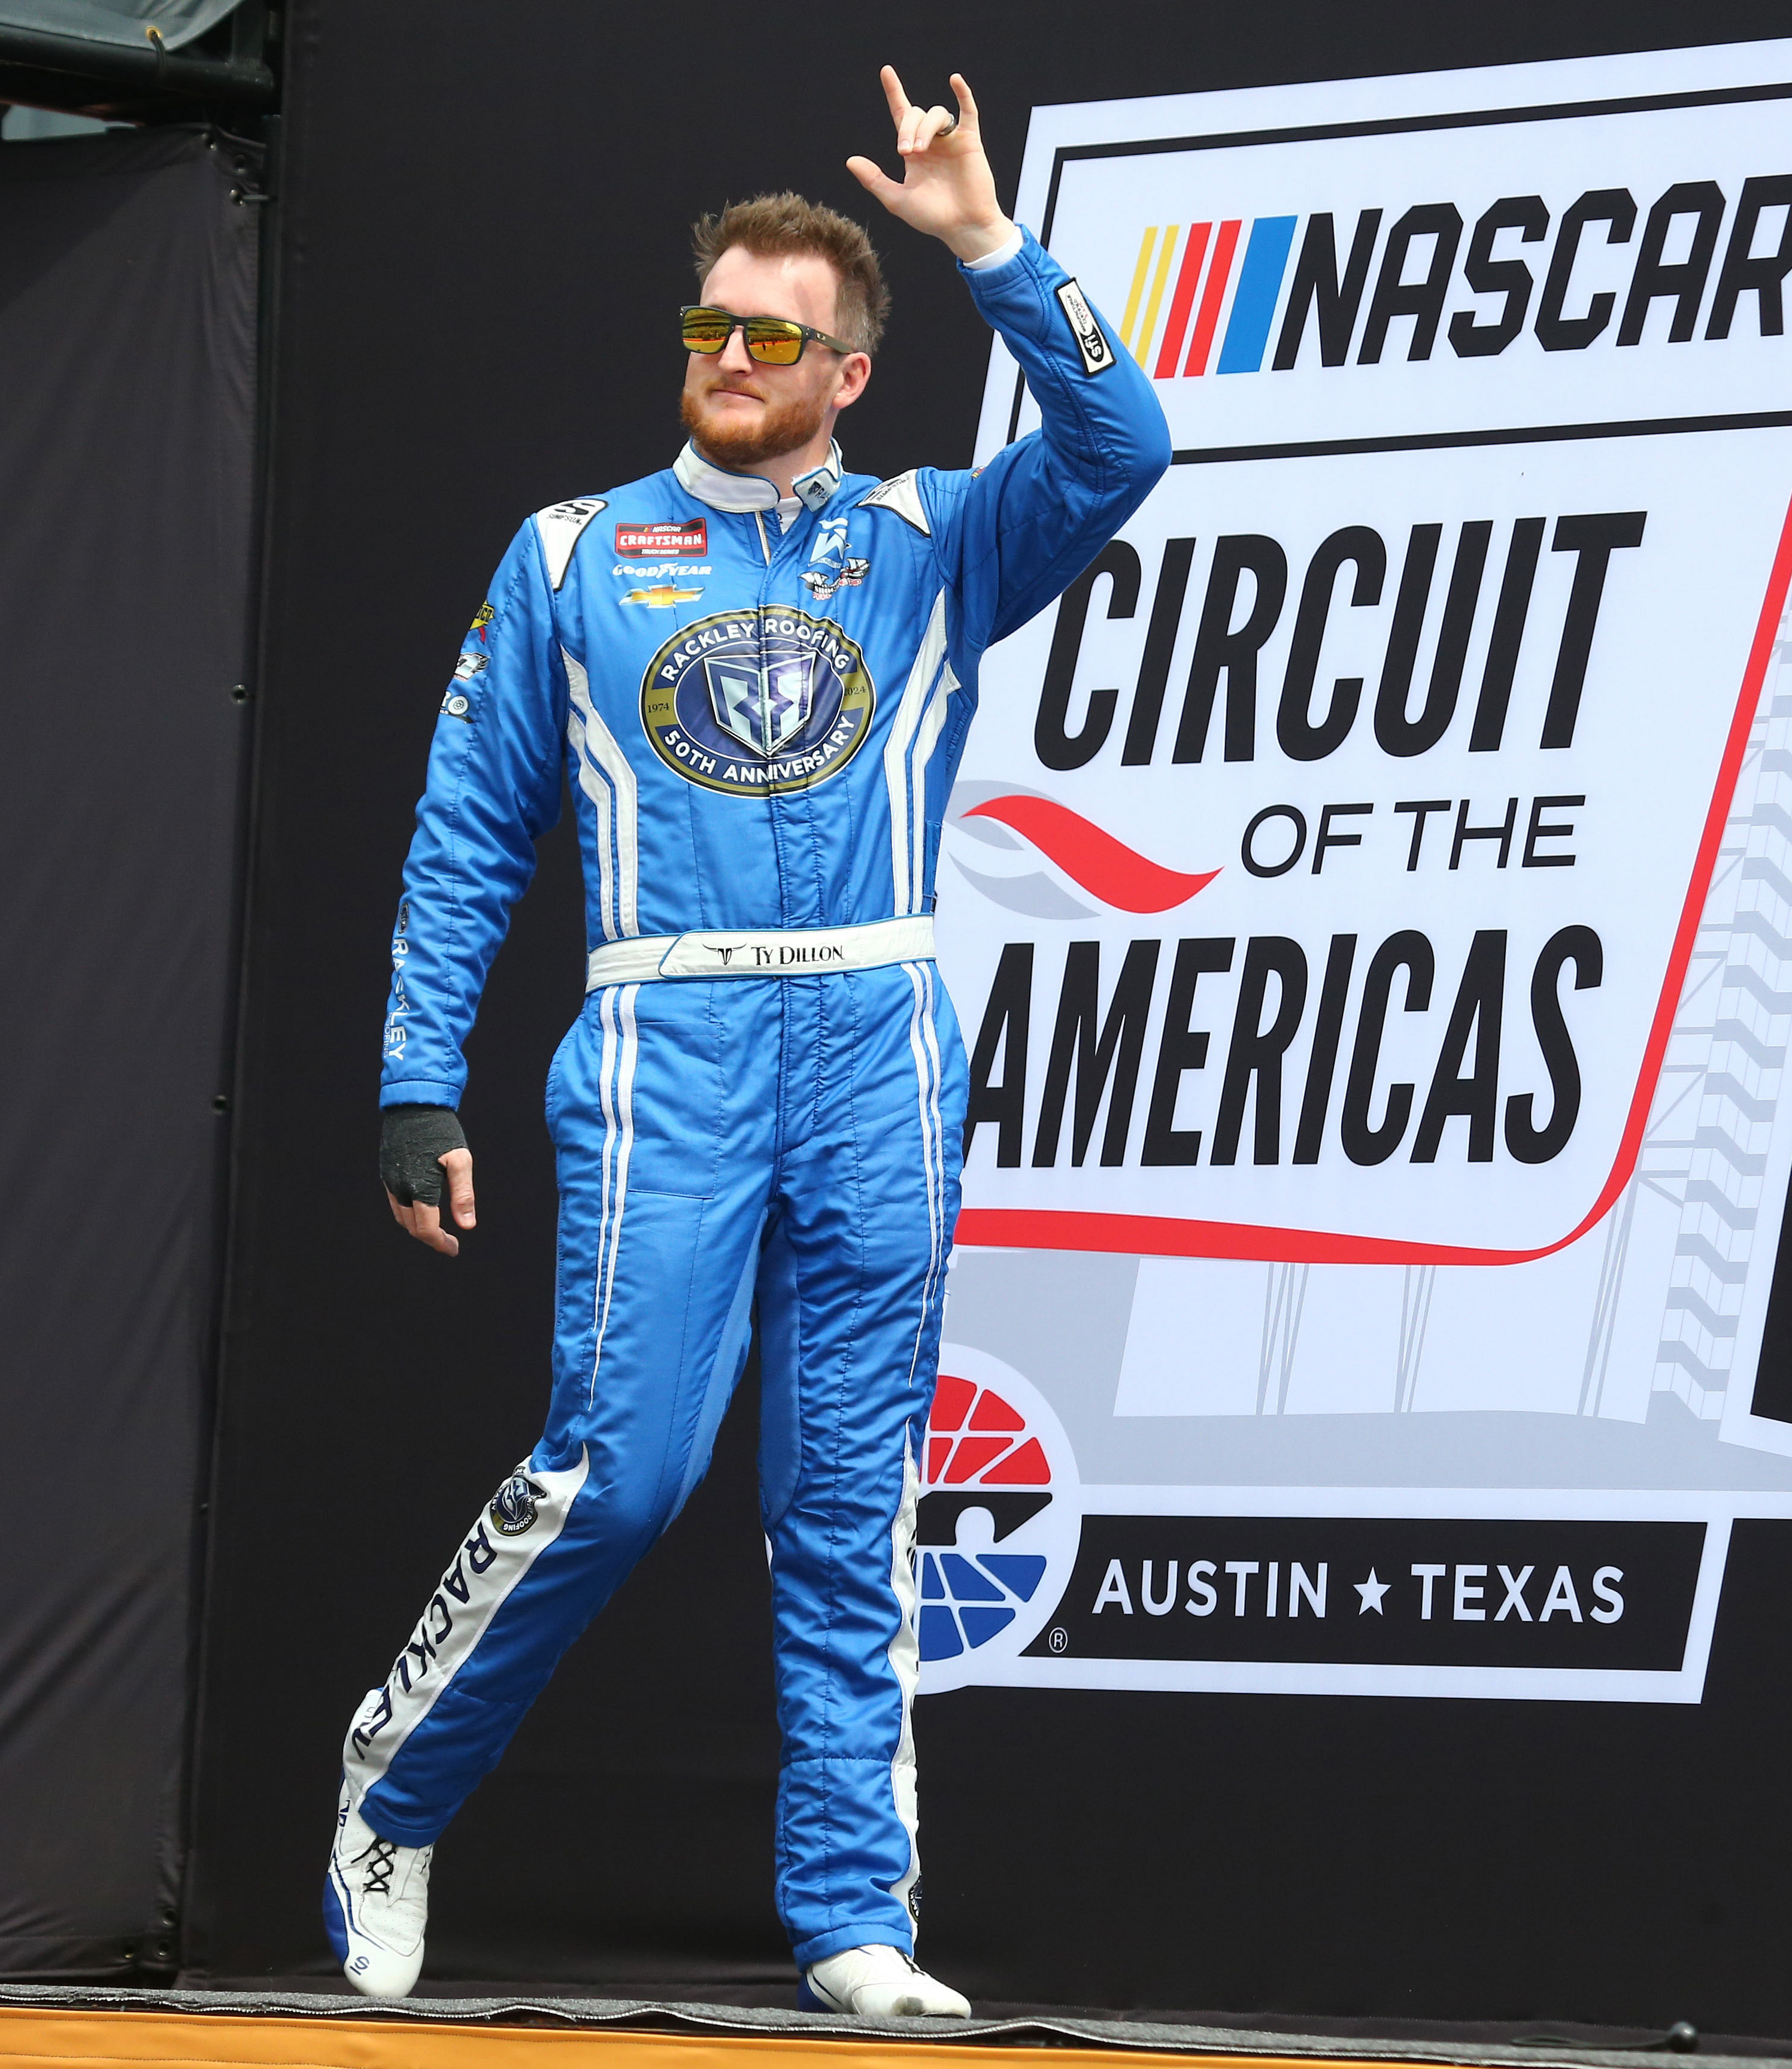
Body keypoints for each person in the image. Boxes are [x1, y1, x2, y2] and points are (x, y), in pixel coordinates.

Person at [330, 66, 1170, 2018]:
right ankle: (398, 1783)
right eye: (708, 324)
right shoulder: (568, 556)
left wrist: (991, 246)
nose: (726, 357)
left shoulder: (935, 537)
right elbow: (468, 833)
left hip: (878, 1036)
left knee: (850, 1496)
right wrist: (411, 1077)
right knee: (621, 1474)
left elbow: (1124, 445)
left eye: (772, 335)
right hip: (668, 1038)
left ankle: (856, 1919)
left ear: (851, 371)